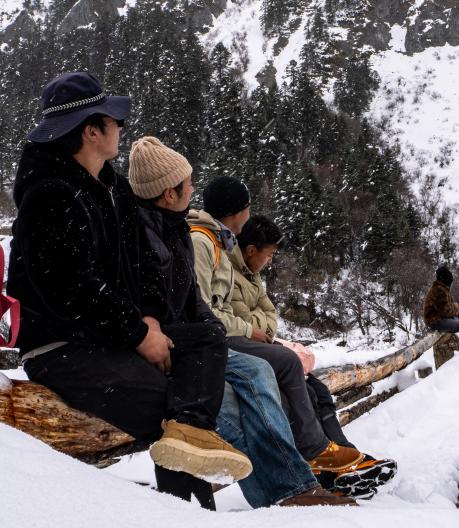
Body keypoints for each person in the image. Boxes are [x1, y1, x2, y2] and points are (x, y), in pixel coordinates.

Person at [6, 72, 249, 509]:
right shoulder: (50, 195)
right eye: (114, 121)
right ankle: (186, 508)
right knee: (169, 408)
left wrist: (149, 317)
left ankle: (192, 465)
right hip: (61, 347)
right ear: (91, 131)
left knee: (207, 339)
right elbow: (69, 290)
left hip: (109, 334)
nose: (121, 128)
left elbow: (136, 265)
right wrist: (137, 333)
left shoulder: (111, 187)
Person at [127, 137, 354, 508]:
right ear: (169, 193)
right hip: (178, 347)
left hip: (199, 343)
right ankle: (291, 489)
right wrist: (221, 331)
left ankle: (294, 486)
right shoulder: (180, 238)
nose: (193, 190)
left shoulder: (182, 233)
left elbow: (198, 302)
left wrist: (213, 332)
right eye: (188, 183)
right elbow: (169, 304)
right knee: (241, 398)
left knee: (264, 377)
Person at [187, 177, 364, 476]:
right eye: (247, 206)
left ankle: (328, 451)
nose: (250, 212)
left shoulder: (219, 243)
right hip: (214, 339)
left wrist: (253, 326)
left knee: (311, 386)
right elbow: (205, 310)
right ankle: (313, 451)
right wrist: (249, 329)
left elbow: (267, 312)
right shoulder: (203, 242)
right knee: (285, 363)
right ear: (235, 211)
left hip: (223, 334)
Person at [228, 214, 397, 499]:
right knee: (296, 389)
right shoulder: (230, 273)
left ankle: (343, 457)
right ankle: (323, 462)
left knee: (317, 389)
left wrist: (258, 322)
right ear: (251, 250)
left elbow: (269, 319)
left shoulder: (252, 276)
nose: (270, 261)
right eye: (269, 255)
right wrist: (257, 322)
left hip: (258, 347)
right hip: (243, 350)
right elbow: (243, 323)